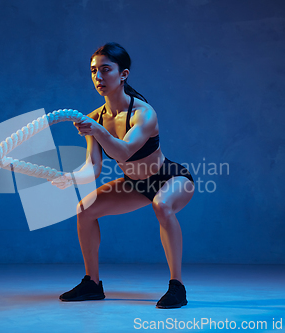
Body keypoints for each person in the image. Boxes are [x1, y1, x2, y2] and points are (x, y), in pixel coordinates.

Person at [50, 42, 194, 309]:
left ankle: (177, 287)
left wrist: (97, 130)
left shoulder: (143, 113)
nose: (98, 77)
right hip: (135, 185)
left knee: (161, 205)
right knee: (84, 209)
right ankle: (92, 283)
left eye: (106, 70)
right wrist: (70, 178)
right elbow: (93, 168)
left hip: (171, 178)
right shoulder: (96, 117)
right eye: (93, 71)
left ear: (123, 74)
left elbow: (126, 152)